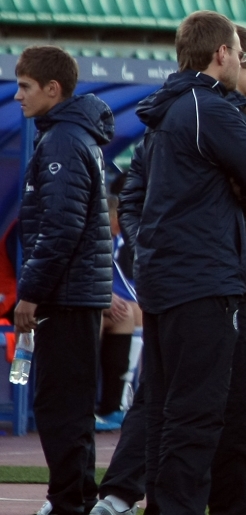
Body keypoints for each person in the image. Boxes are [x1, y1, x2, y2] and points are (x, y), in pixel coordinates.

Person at [87, 24, 246, 515]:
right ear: (224, 54)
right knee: (194, 405)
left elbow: (140, 195)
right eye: (245, 56)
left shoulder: (171, 111)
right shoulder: (209, 110)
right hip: (204, 274)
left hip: (179, 272)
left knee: (174, 402)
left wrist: (147, 251)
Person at [3, 47, 113, 515]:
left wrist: (30, 293)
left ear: (53, 89)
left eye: (26, 86)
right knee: (69, 405)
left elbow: (61, 228)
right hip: (76, 293)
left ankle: (68, 509)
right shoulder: (74, 135)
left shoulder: (64, 141)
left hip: (66, 296)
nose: (18, 94)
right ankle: (79, 504)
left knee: (57, 405)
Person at [95, 174, 140, 431]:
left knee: (126, 315)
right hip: (66, 302)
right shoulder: (91, 232)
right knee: (96, 319)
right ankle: (83, 407)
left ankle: (112, 406)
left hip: (91, 297)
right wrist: (104, 296)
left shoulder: (111, 238)